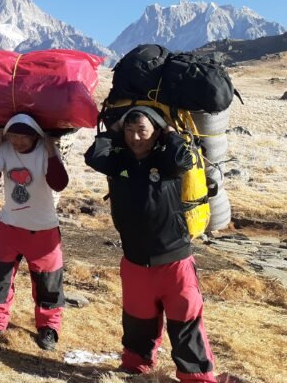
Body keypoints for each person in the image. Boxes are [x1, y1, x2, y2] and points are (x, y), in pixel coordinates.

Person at [84, 106, 218, 382]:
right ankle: (136, 366)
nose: (135, 138)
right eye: (130, 131)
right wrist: (114, 130)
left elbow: (184, 158)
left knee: (185, 321)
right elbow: (94, 157)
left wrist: (170, 132)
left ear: (155, 131)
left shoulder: (166, 162)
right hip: (135, 261)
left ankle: (197, 377)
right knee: (137, 320)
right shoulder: (119, 162)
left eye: (142, 131)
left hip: (174, 261)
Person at [0, 113, 68, 351]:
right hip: (9, 227)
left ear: (36, 134)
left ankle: (49, 327)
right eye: (13, 136)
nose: (18, 142)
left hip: (43, 230)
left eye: (24, 137)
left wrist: (51, 150)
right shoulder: (5, 149)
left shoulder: (45, 151)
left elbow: (59, 183)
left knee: (49, 283)